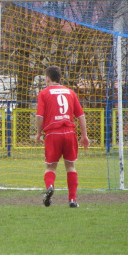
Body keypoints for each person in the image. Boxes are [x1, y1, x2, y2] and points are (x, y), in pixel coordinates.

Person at [35, 66, 90, 208]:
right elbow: (81, 115)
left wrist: (39, 133)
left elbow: (39, 116)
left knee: (50, 167)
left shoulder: (44, 93)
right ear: (60, 79)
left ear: (47, 79)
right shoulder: (70, 92)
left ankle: (50, 186)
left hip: (53, 133)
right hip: (69, 132)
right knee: (70, 166)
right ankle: (72, 200)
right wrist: (84, 136)